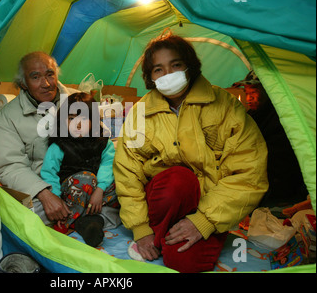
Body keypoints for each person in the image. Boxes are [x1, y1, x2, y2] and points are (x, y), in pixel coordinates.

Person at [113, 32, 269, 273]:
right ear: (149, 76)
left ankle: (169, 237)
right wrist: (140, 228)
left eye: (176, 65)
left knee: (183, 262)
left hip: (209, 205)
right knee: (179, 179)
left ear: (189, 66)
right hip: (164, 200)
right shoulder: (140, 112)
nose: (168, 75)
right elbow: (127, 170)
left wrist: (203, 221)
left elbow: (249, 172)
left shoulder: (225, 105)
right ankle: (157, 233)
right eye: (158, 69)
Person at [0, 51, 78, 226]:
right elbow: (10, 166)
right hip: (46, 189)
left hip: (84, 180)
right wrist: (44, 194)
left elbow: (101, 142)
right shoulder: (7, 119)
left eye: (50, 75)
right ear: (23, 83)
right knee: (21, 220)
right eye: (35, 77)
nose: (46, 84)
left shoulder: (79, 102)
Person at [40, 92, 120, 247]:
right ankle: (71, 220)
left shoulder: (103, 142)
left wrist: (100, 190)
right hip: (71, 194)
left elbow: (108, 165)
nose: (77, 124)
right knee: (85, 178)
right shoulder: (59, 145)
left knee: (123, 180)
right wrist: (56, 198)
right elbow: (49, 173)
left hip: (96, 194)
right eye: (71, 118)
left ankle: (89, 220)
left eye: (83, 119)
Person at [233, 71, 308, 206]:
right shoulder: (253, 115)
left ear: (268, 92)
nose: (249, 98)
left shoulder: (280, 119)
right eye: (247, 93)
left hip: (279, 189)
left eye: (254, 93)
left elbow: (278, 160)